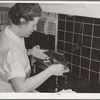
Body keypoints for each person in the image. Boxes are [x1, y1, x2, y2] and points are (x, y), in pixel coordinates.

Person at [0, 3, 69, 92]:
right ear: (22, 21)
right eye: (33, 25)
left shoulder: (8, 31)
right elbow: (21, 89)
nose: (35, 28)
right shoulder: (12, 50)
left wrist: (29, 52)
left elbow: (8, 60)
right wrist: (50, 71)